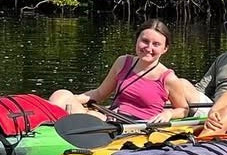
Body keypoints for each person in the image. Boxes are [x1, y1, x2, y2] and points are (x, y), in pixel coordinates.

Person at [49, 20, 190, 124]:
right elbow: (99, 94)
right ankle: (44, 127)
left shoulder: (168, 78)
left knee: (93, 116)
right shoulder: (123, 62)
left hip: (135, 127)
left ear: (165, 49)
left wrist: (169, 113)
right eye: (145, 41)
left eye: (156, 44)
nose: (148, 48)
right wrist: (73, 98)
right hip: (111, 117)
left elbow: (184, 109)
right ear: (137, 41)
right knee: (61, 94)